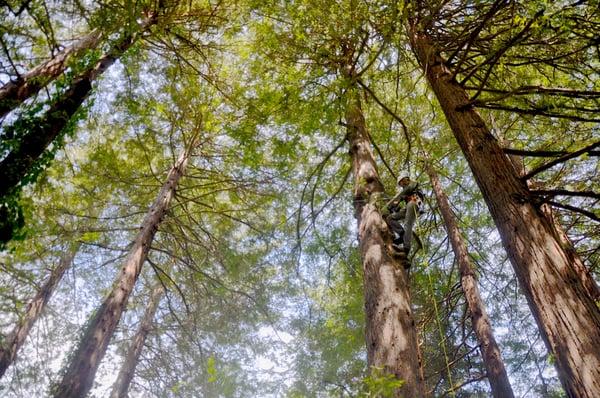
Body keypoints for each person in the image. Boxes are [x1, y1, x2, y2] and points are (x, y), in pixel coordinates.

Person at [386, 176, 422, 257]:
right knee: (390, 218)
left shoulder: (413, 183)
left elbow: (407, 190)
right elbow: (402, 196)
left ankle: (406, 248)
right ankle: (402, 235)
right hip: (408, 205)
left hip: (414, 202)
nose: (401, 184)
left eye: (402, 182)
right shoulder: (405, 191)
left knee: (407, 223)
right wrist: (393, 205)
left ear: (406, 179)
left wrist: (397, 199)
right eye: (400, 183)